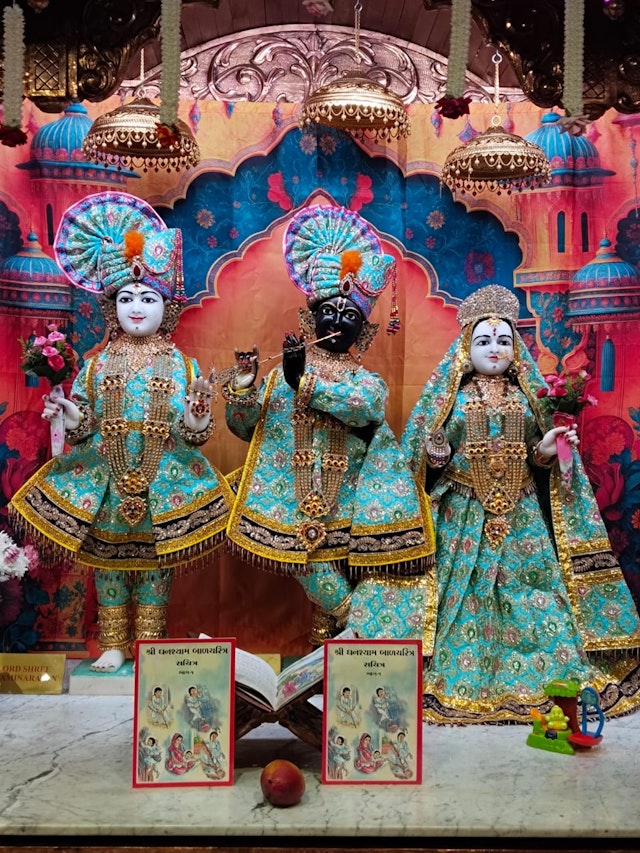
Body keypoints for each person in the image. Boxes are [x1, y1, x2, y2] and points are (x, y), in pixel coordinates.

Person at [9, 191, 233, 673]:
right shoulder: (95, 365)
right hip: (106, 479)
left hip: (163, 481)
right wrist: (70, 414)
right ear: (112, 307)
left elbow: (192, 433)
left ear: (166, 308)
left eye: (148, 298)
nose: (136, 307)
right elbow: (85, 423)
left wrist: (197, 415)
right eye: (126, 298)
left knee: (155, 568)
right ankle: (113, 643)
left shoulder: (184, 366)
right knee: (108, 568)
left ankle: (149, 643)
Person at [401, 283, 640, 724]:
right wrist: (435, 454)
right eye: (483, 341)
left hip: (521, 513)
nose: (494, 349)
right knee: (462, 599)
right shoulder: (451, 397)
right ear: (465, 349)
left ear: (516, 349)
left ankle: (544, 674)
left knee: (533, 593)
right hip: (463, 512)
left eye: (504, 341)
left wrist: (548, 450)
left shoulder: (530, 399)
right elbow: (427, 456)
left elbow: (543, 458)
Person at [224, 204, 435, 644]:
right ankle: (352, 635)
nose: (337, 322)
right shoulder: (282, 375)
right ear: (309, 319)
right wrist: (243, 390)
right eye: (329, 312)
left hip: (352, 502)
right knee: (311, 569)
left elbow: (365, 408)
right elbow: (247, 429)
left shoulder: (363, 381)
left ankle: (342, 651)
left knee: (345, 575)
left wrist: (303, 381)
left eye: (350, 316)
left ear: (364, 333)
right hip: (291, 499)